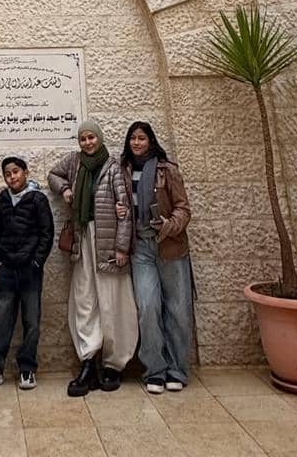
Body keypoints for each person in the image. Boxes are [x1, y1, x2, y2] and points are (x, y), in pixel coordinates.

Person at [48, 120, 137, 396]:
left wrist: (122, 248)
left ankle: (113, 364)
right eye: (83, 138)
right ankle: (88, 360)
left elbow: (125, 212)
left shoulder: (113, 168)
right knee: (84, 300)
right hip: (83, 240)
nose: (87, 143)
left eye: (91, 137)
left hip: (108, 244)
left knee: (113, 303)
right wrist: (65, 190)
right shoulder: (75, 163)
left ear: (99, 138)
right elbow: (53, 175)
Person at [120, 120, 193, 394]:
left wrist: (168, 225)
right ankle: (155, 370)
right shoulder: (123, 170)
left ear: (150, 141)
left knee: (178, 309)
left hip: (169, 246)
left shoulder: (167, 170)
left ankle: (177, 370)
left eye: (142, 138)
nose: (137, 143)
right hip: (141, 248)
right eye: (133, 138)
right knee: (147, 307)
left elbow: (184, 209)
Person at [0, 156, 55, 392]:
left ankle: (27, 368)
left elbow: (47, 233)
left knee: (31, 321)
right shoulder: (3, 199)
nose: (12, 177)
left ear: (25, 172)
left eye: (16, 172)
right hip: (6, 269)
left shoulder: (37, 199)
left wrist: (37, 261)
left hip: (30, 270)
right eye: (7, 174)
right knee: (0, 319)